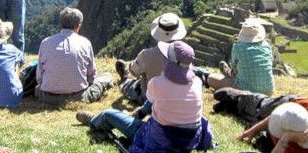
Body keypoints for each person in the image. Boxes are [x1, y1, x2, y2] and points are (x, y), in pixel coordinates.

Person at [76, 41, 214, 152]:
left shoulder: (157, 83)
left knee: (109, 114)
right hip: (188, 141)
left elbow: (151, 102)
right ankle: (134, 114)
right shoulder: (197, 82)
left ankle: (94, 120)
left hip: (160, 140)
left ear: (167, 60)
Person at [35, 7, 112, 106]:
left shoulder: (45, 42)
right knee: (106, 77)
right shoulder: (85, 43)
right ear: (78, 26)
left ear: (61, 24)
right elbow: (91, 76)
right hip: (78, 98)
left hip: (48, 98)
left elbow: (39, 77)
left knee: (37, 88)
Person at [212, 87, 308, 153]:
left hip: (284, 131)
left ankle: (231, 108)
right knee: (261, 107)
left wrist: (286, 138)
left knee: (255, 120)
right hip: (288, 103)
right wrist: (253, 130)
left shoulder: (295, 149)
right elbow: (277, 116)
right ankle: (240, 97)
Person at [114, 12, 187, 106]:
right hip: (177, 98)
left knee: (131, 86)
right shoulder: (185, 55)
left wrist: (133, 65)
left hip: (150, 98)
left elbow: (134, 72)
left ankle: (124, 79)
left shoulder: (147, 54)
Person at [208, 18, 274, 95]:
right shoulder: (267, 46)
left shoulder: (237, 47)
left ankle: (227, 73)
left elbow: (235, 70)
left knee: (211, 78)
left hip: (245, 91)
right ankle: (228, 73)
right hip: (268, 91)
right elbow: (269, 65)